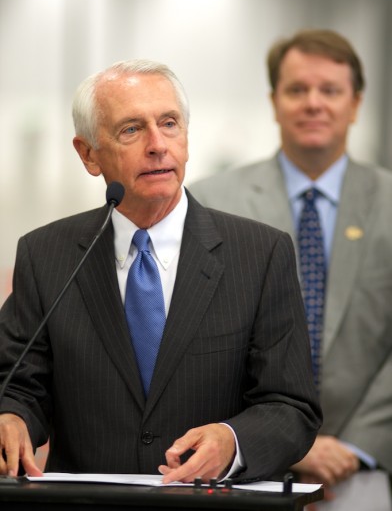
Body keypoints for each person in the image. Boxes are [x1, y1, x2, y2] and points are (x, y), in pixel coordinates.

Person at [0, 59, 321, 483]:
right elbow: (19, 383)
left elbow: (292, 406)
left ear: (186, 138)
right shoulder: (46, 254)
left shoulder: (260, 253)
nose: (157, 144)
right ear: (89, 154)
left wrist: (233, 440)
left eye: (169, 123)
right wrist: (12, 416)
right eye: (131, 129)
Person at [189, 29, 392, 508]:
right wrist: (280, 438)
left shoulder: (389, 204)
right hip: (243, 467)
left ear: (356, 103)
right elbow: (195, 341)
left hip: (360, 469)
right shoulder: (212, 202)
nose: (313, 103)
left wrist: (357, 445)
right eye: (297, 90)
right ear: (274, 101)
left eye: (330, 90)